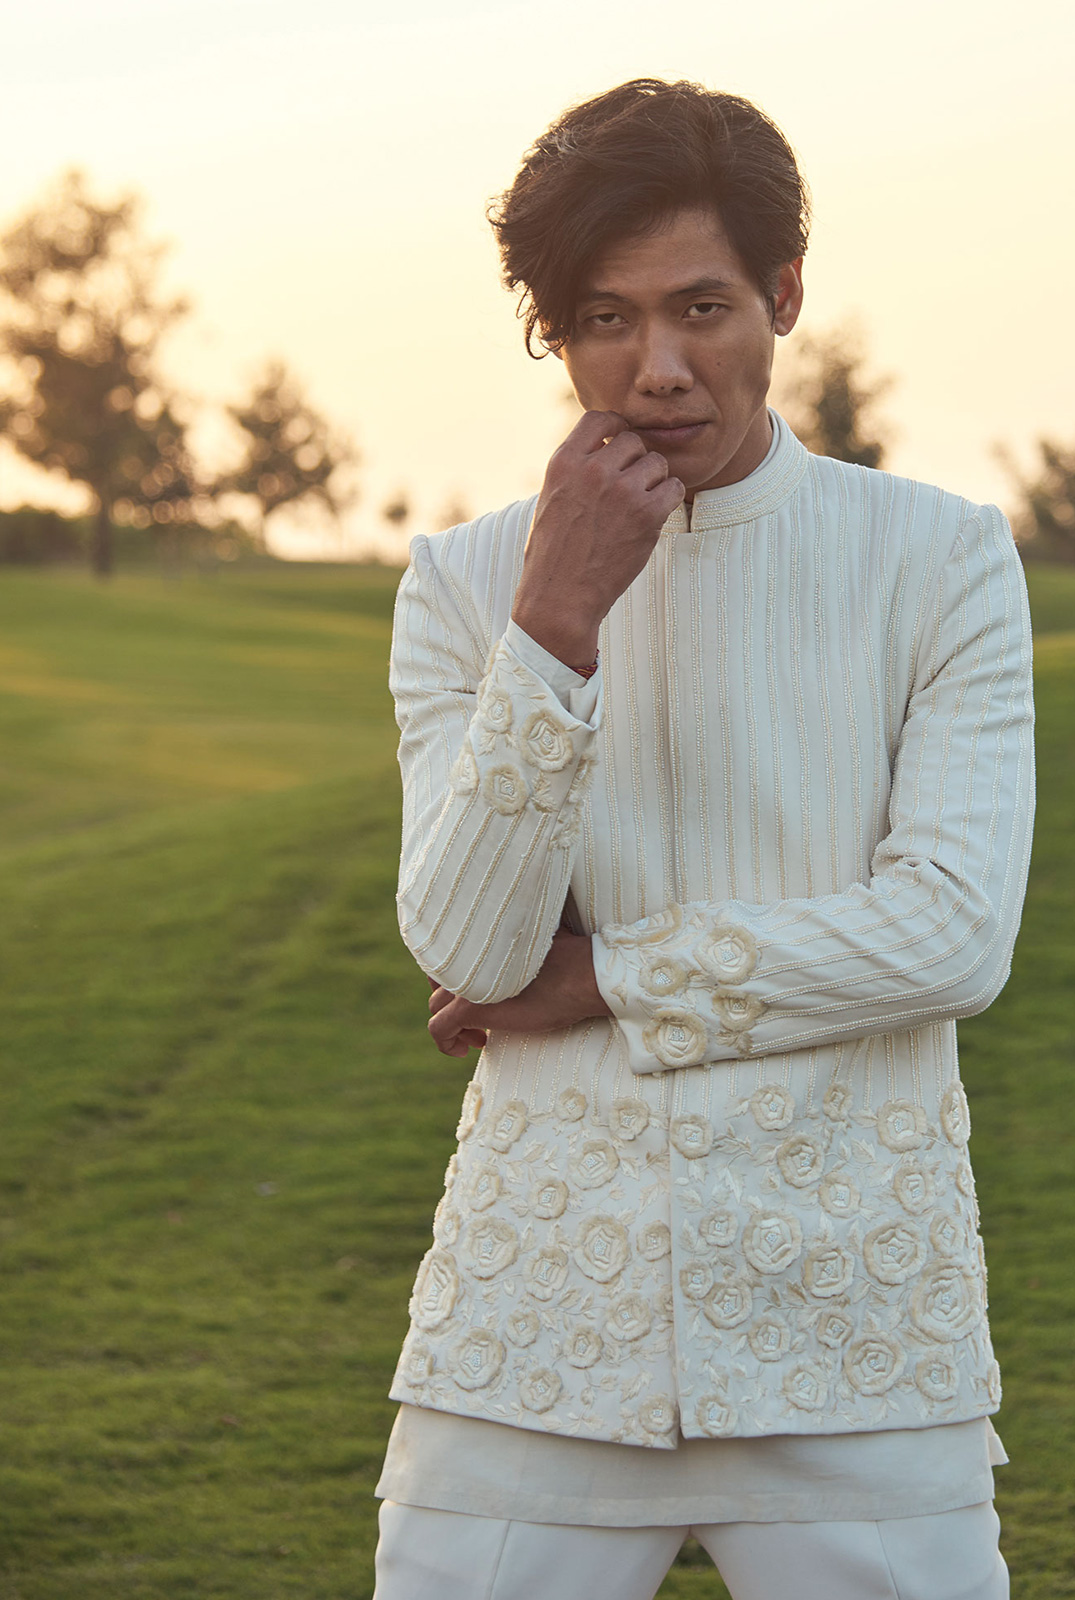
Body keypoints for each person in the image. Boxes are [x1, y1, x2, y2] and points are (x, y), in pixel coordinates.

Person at [372, 78, 1035, 1600]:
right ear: (556, 334)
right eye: (605, 320)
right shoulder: (468, 583)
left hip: (856, 1327)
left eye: (702, 308)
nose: (657, 370)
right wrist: (554, 621)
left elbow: (951, 934)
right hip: (538, 1331)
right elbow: (467, 946)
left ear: (783, 295)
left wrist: (603, 978)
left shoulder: (938, 559)